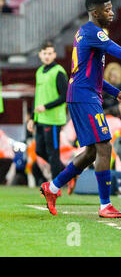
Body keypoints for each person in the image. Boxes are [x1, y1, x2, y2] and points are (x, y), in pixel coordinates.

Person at [40, 0, 121, 218]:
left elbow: (93, 75)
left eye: (112, 8)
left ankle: (53, 188)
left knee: (91, 152)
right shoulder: (93, 32)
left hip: (83, 94)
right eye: (107, 10)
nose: (112, 12)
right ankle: (105, 205)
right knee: (105, 147)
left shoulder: (87, 33)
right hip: (84, 97)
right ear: (95, 13)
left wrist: (117, 93)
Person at [26, 41, 68, 183]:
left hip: (54, 120)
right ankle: (67, 172)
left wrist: (47, 106)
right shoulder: (39, 71)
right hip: (41, 119)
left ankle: (56, 187)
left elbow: (65, 96)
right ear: (40, 55)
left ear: (54, 54)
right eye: (44, 53)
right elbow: (38, 97)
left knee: (53, 153)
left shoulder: (58, 71)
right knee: (39, 151)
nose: (47, 56)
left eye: (50, 53)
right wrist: (32, 118)